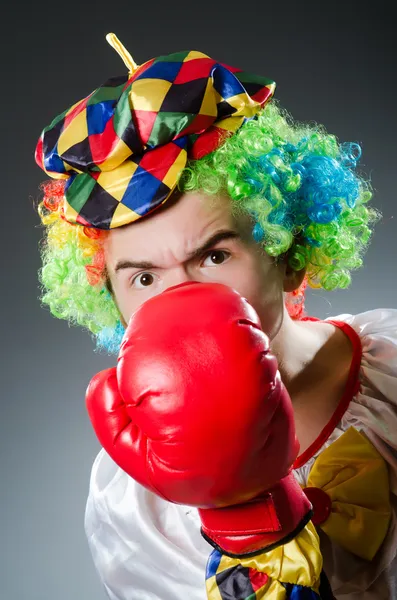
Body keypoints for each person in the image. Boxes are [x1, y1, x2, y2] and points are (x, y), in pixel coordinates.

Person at [34, 33, 397, 600]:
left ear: (290, 255)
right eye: (144, 277)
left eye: (214, 256)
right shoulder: (132, 501)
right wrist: (238, 516)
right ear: (110, 295)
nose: (183, 297)